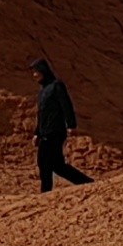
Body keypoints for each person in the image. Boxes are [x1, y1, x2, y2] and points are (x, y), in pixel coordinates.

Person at [34, 58, 90, 193]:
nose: (34, 75)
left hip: (55, 131)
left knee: (44, 162)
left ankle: (45, 192)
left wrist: (71, 124)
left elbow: (66, 105)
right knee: (57, 166)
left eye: (36, 72)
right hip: (45, 132)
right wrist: (37, 133)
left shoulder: (56, 86)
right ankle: (86, 182)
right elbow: (41, 114)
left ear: (43, 71)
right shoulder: (42, 91)